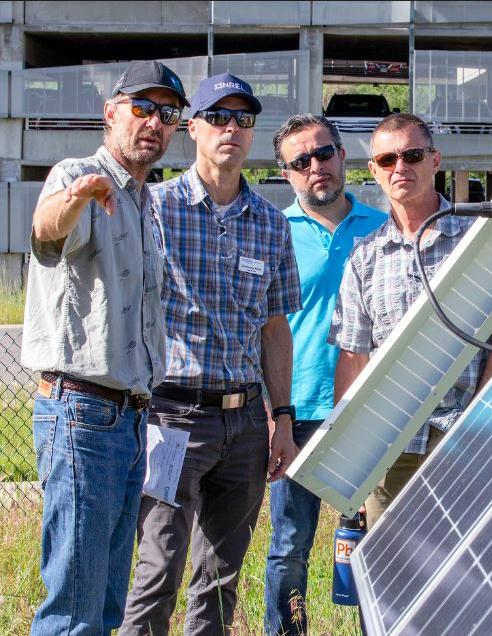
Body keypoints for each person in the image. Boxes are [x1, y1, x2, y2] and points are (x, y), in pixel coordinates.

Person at [120, 73, 302, 635]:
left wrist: (282, 419)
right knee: (159, 568)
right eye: (218, 117)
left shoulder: (271, 223)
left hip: (245, 424)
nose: (231, 129)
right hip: (172, 415)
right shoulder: (155, 208)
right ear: (192, 127)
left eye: (243, 120)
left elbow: (275, 329)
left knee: (222, 577)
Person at [21, 60, 186, 635]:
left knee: (107, 603)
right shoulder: (80, 175)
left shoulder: (146, 202)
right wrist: (77, 195)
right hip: (82, 413)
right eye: (142, 108)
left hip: (132, 419)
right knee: (74, 609)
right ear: (110, 112)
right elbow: (46, 228)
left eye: (167, 114)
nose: (155, 124)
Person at [330, 113, 492, 528]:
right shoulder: (364, 257)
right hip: (389, 444)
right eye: (387, 160)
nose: (400, 167)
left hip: (465, 437)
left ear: (435, 160)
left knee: (468, 566)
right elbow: (354, 357)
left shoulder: (478, 240)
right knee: (392, 569)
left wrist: (479, 419)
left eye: (412, 155)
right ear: (373, 171)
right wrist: (346, 458)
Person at [264, 114, 387, 635]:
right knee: (290, 547)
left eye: (325, 153)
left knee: (374, 544)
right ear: (286, 174)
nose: (316, 167)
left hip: (368, 412)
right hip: (297, 415)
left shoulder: (382, 227)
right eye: (301, 161)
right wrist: (276, 418)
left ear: (343, 156)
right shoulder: (273, 232)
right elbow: (261, 331)